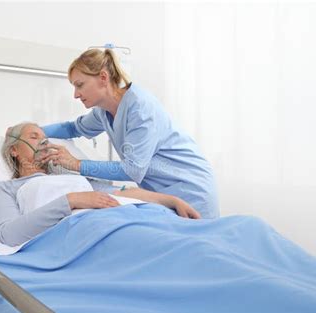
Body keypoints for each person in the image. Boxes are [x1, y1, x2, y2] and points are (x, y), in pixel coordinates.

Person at [38, 48, 219, 219]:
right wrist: (31, 130)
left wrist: (77, 164)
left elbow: (133, 170)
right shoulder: (103, 112)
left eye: (80, 85)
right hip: (161, 195)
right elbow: (72, 128)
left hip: (189, 187)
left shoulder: (139, 108)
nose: (75, 95)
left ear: (103, 77)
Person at [0, 122, 201, 247]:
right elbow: (10, 234)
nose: (44, 142)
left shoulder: (71, 178)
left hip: (127, 219)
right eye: (34, 137)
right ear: (14, 150)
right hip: (87, 234)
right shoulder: (5, 189)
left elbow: (123, 192)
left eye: (45, 137)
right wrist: (72, 200)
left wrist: (172, 200)